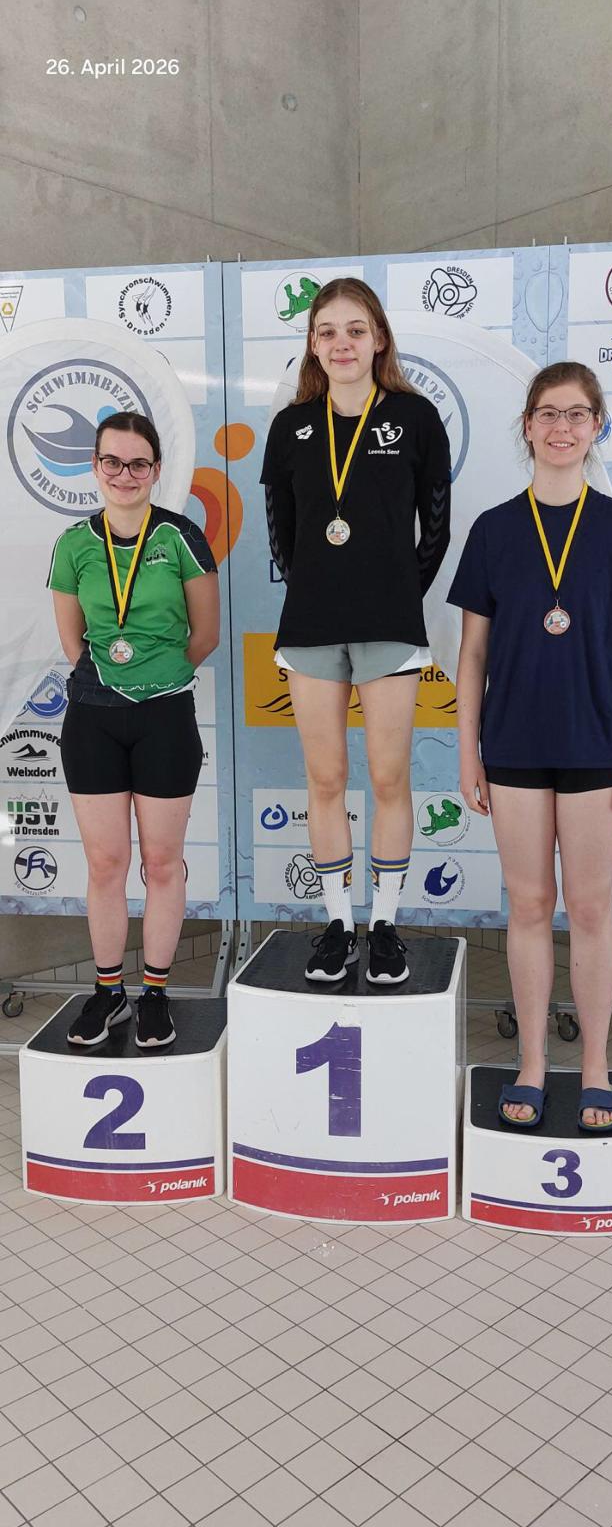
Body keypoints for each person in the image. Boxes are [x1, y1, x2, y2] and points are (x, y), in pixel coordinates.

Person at [449, 362, 612, 1131]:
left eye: (576, 414)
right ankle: (533, 1063)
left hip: (594, 745)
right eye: (547, 413)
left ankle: (596, 1068)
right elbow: (471, 656)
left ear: (596, 425)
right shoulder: (493, 530)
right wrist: (468, 753)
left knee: (590, 907)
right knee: (530, 905)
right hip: (512, 744)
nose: (561, 427)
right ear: (527, 426)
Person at [261, 277, 451, 984]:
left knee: (389, 775)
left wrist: (397, 593)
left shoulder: (414, 416)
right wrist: (320, 586)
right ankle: (339, 923)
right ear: (312, 345)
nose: (341, 343)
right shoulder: (291, 426)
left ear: (378, 339)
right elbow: (281, 531)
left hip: (389, 625)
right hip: (311, 626)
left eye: (354, 329)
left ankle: (385, 926)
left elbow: (436, 526)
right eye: (327, 331)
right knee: (325, 777)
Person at [48, 411, 219, 1048]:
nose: (125, 474)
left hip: (165, 717)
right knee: (105, 863)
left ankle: (154, 993)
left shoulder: (181, 536)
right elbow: (74, 642)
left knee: (162, 862)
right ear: (95, 466)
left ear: (156, 470)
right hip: (92, 718)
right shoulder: (73, 544)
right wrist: (111, 681)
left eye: (138, 463)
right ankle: (108, 992)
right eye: (112, 462)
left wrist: (156, 678)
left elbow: (206, 634)